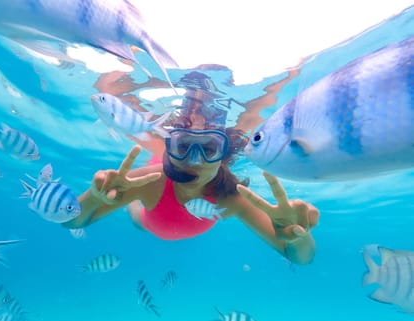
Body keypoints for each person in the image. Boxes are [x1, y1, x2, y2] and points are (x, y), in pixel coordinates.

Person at [65, 72, 319, 265]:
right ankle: (134, 207)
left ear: (224, 156)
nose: (194, 160)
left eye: (208, 149)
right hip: (148, 218)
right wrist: (93, 197)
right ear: (169, 146)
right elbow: (71, 221)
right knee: (137, 219)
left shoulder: (232, 197)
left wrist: (297, 236)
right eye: (182, 145)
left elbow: (299, 258)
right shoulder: (146, 181)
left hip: (173, 212)